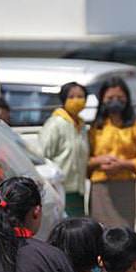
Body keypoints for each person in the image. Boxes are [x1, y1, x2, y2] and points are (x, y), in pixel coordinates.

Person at [88, 77, 136, 228]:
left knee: (124, 231)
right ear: (102, 99)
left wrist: (124, 164)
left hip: (125, 186)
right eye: (110, 98)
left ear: (127, 99)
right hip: (101, 186)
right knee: (101, 231)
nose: (115, 101)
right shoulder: (96, 127)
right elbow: (85, 160)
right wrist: (99, 161)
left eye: (120, 98)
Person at [39, 82, 90, 217]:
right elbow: (43, 154)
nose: (77, 100)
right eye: (72, 96)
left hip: (78, 189)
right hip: (60, 188)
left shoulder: (81, 125)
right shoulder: (55, 123)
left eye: (80, 96)